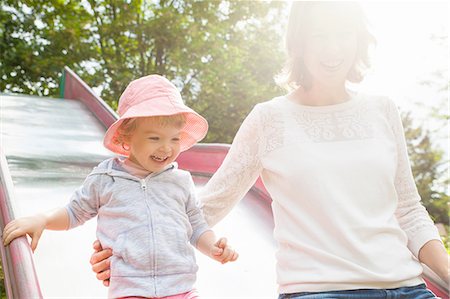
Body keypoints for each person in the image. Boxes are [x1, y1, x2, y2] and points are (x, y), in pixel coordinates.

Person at [90, 2, 449, 298]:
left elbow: (409, 211)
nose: (333, 49)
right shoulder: (270, 119)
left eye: (343, 34)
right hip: (319, 291)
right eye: (319, 36)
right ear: (298, 44)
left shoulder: (381, 110)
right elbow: (202, 210)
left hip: (407, 287)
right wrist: (127, 254)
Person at [2, 75, 238, 299]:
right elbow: (74, 212)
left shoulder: (181, 181)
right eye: (154, 138)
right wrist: (42, 219)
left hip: (182, 288)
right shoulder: (106, 178)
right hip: (130, 289)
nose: (166, 148)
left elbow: (196, 226)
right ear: (126, 138)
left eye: (174, 138)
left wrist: (214, 246)